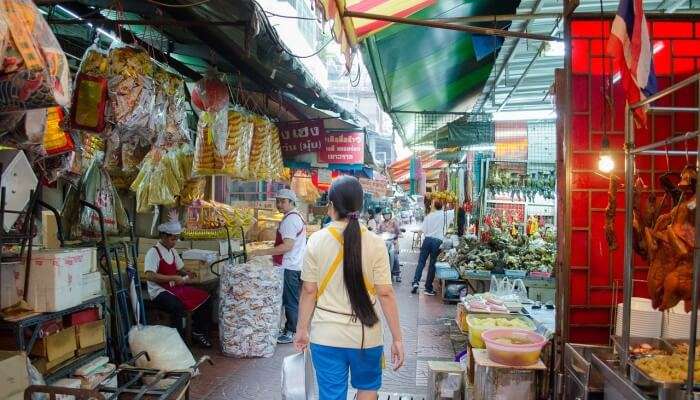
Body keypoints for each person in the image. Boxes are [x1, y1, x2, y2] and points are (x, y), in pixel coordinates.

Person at [294, 176, 404, 400]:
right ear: (360, 206)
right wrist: (398, 339)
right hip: (366, 336)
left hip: (326, 335)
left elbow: (309, 291)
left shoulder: (316, 240)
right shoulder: (375, 243)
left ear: (331, 206)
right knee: (367, 390)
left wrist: (302, 329)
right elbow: (385, 293)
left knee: (331, 395)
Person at [249, 189, 306, 344]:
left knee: (290, 300)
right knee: (289, 298)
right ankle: (289, 328)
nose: (279, 204)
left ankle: (291, 331)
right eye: (278, 201)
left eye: (283, 201)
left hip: (289, 266)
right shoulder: (295, 217)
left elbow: (287, 246)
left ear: (291, 202)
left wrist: (263, 252)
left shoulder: (290, 220)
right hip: (293, 264)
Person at [144, 220, 212, 348]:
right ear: (163, 236)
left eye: (176, 239)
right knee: (177, 306)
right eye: (172, 239)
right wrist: (174, 277)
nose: (174, 242)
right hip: (159, 292)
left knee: (205, 297)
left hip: (176, 288)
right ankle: (179, 341)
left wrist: (188, 273)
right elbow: (149, 275)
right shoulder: (153, 252)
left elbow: (180, 268)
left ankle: (198, 332)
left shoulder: (173, 251)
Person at [411, 199, 454, 296]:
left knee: (421, 262)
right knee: (432, 265)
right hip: (437, 242)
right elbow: (457, 208)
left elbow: (421, 230)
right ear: (442, 206)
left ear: (433, 206)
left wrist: (417, 240)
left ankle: (415, 282)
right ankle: (428, 288)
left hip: (427, 240)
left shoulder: (428, 216)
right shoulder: (446, 214)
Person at [377, 208, 401, 282]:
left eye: (388, 214)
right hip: (383, 242)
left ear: (390, 215)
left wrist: (398, 235)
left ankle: (397, 274)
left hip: (393, 242)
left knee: (395, 256)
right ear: (383, 216)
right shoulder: (381, 223)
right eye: (385, 215)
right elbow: (378, 231)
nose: (387, 216)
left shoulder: (394, 222)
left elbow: (398, 231)